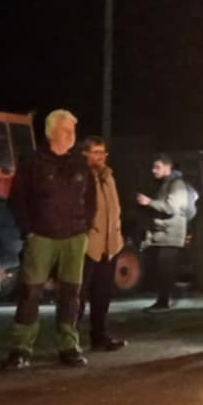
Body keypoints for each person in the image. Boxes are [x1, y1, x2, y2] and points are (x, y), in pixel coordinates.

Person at [2, 109, 94, 369]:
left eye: (73, 130)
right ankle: (21, 347)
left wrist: (84, 227)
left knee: (71, 293)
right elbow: (17, 199)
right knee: (31, 292)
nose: (71, 135)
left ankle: (68, 345)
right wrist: (29, 230)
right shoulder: (33, 161)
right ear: (50, 132)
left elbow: (90, 200)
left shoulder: (79, 163)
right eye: (66, 130)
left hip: (75, 237)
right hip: (41, 236)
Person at [79, 135, 125, 353]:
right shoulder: (82, 176)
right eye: (96, 153)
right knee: (78, 295)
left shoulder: (110, 176)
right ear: (85, 154)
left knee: (102, 294)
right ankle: (70, 340)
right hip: (89, 245)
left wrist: (117, 238)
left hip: (110, 245)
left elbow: (114, 209)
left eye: (103, 153)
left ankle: (99, 336)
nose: (100, 157)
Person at [137, 153, 195, 312]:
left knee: (165, 271)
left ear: (168, 167)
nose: (153, 170)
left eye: (157, 167)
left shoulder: (176, 185)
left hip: (171, 236)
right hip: (165, 235)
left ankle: (163, 303)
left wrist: (149, 202)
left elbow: (171, 208)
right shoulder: (167, 184)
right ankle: (162, 301)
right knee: (162, 270)